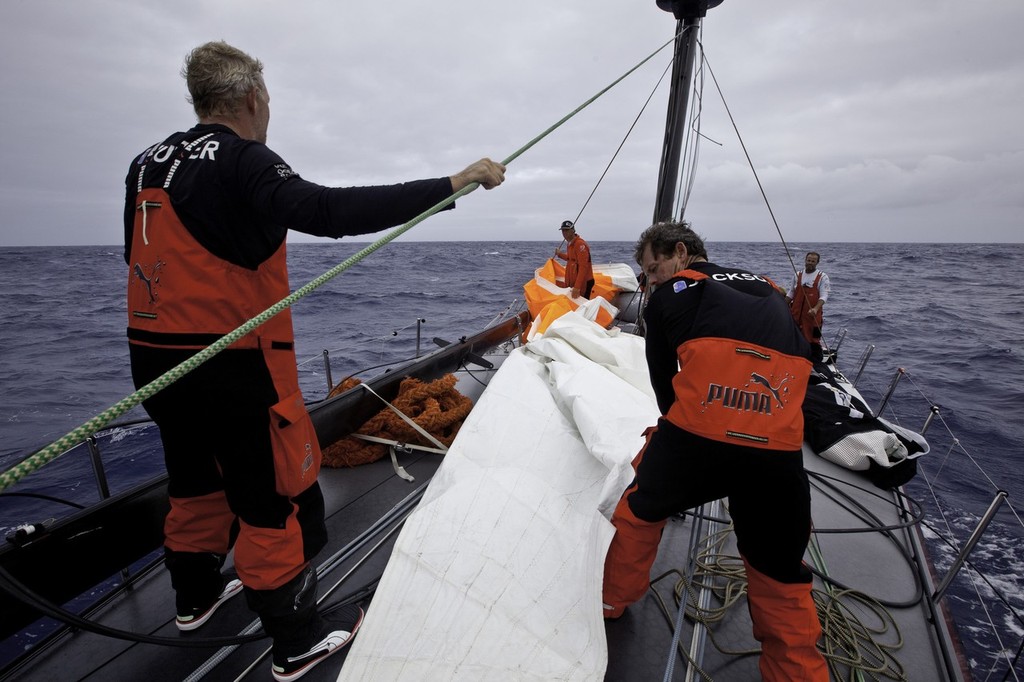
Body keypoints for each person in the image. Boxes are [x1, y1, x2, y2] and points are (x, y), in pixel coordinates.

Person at [124, 41, 505, 682]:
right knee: (277, 499)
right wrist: (452, 184)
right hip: (232, 367)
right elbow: (326, 211)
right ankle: (297, 644)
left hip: (157, 365)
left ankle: (192, 601)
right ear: (251, 99)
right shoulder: (243, 158)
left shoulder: (146, 162)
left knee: (194, 482)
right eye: (266, 99)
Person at [602, 221, 828, 682]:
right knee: (780, 568)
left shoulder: (670, 296)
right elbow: (805, 354)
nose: (650, 281)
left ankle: (611, 600)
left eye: (652, 268)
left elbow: (665, 387)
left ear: (681, 253)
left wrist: (678, 441)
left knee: (640, 510)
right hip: (777, 451)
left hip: (697, 440)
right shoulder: (768, 289)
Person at [786, 251, 831, 359]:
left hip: (812, 316)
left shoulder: (822, 277)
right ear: (805, 260)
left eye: (813, 261)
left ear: (817, 263)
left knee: (812, 341)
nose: (810, 263)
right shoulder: (797, 275)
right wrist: (783, 304)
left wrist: (815, 309)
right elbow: (791, 292)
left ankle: (815, 362)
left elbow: (824, 296)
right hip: (796, 315)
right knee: (793, 336)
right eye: (808, 260)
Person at [553, 219, 595, 299]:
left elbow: (583, 267)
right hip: (574, 282)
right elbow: (570, 259)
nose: (564, 233)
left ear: (573, 230)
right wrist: (559, 254)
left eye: (566, 230)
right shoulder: (570, 244)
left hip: (584, 283)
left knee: (582, 306)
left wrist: (577, 287)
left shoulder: (580, 245)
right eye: (563, 231)